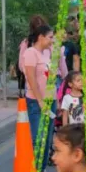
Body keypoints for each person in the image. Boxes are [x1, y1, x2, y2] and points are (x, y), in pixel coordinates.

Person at [22, 24, 55, 158]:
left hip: (50, 100)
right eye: (50, 37)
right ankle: (34, 171)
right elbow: (31, 78)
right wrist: (40, 101)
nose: (52, 40)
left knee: (47, 139)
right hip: (36, 101)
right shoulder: (30, 53)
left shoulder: (45, 54)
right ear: (41, 37)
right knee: (38, 138)